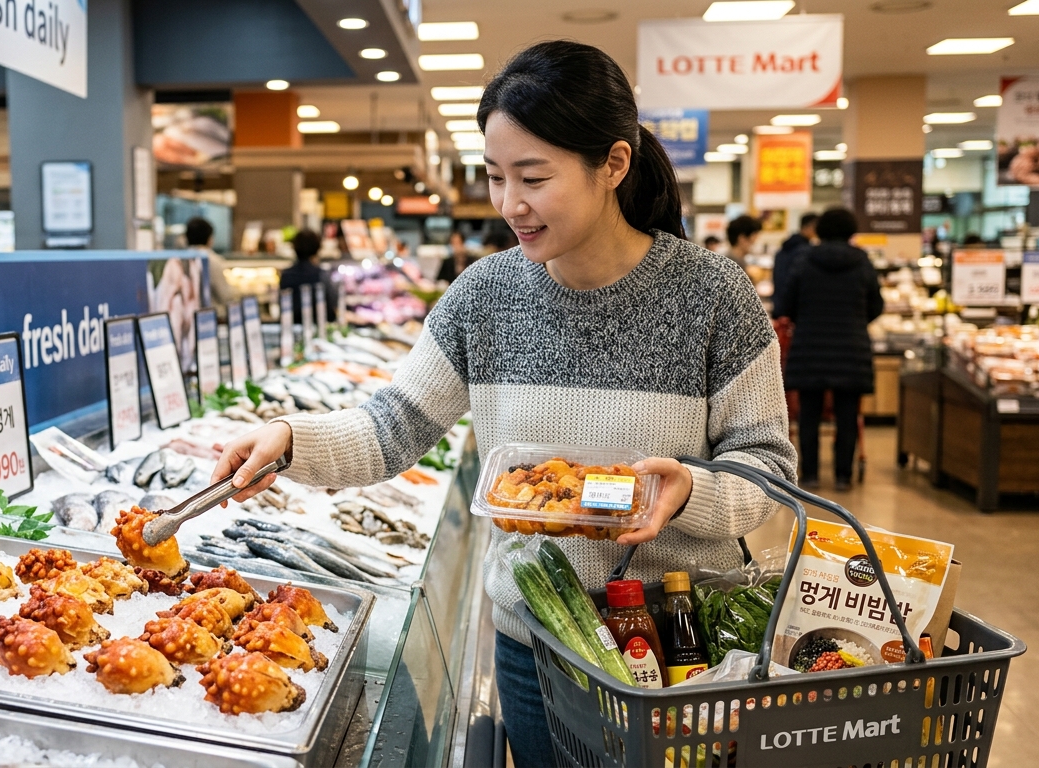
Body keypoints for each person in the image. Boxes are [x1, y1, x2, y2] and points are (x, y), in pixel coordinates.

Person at [212, 40, 795, 768]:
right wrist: (289, 439)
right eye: (494, 176)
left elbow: (767, 469)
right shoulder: (483, 296)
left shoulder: (713, 295)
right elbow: (394, 425)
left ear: (614, 164)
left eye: (534, 177)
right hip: (534, 646)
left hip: (682, 643)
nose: (509, 204)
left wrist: (688, 492)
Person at [773, 207, 882, 492]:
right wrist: (855, 321)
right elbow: (877, 305)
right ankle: (843, 476)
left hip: (810, 347)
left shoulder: (803, 260)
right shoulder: (862, 262)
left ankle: (809, 475)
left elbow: (784, 305)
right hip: (851, 349)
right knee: (847, 415)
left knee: (809, 414)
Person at [280, 228, 331, 325]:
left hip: (291, 326)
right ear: (317, 248)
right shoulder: (322, 275)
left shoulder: (286, 275)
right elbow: (330, 308)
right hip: (318, 326)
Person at [770, 212, 817, 310]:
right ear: (809, 226)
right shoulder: (805, 251)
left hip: (779, 302)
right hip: (794, 306)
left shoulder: (784, 248)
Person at [187, 217, 235, 308]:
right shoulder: (213, 260)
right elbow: (225, 296)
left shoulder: (180, 260)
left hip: (187, 313)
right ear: (209, 238)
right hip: (210, 313)